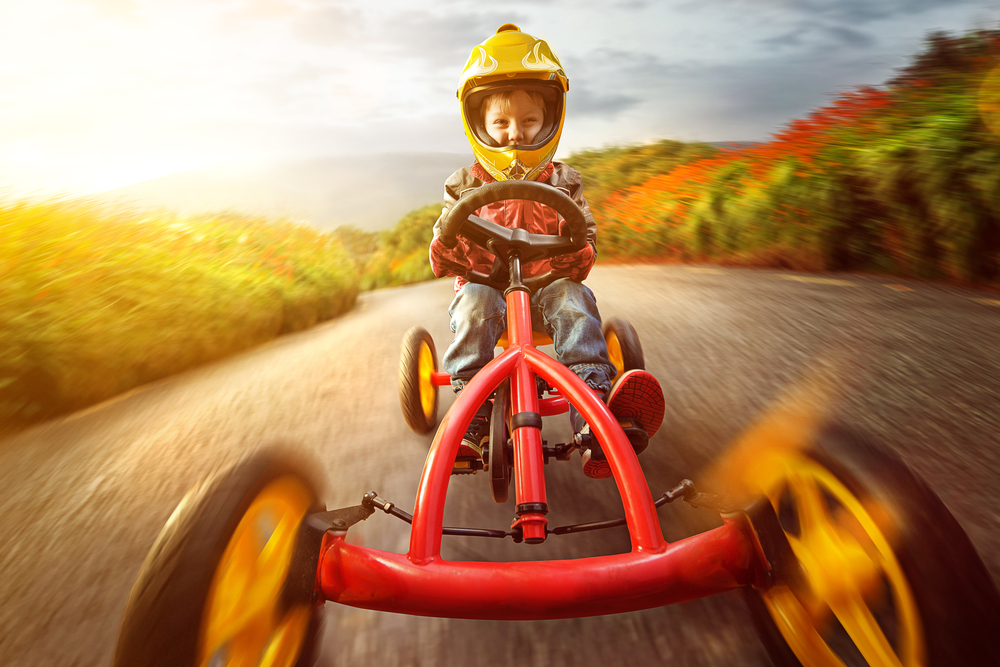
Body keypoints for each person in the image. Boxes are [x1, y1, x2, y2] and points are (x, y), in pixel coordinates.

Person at [428, 23, 664, 479]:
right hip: (489, 297)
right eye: (500, 123)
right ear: (478, 123)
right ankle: (471, 415)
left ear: (550, 120)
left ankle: (596, 416)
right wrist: (450, 241)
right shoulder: (463, 185)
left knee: (574, 300)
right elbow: (442, 254)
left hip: (546, 297)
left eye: (529, 121)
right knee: (475, 302)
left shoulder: (565, 181)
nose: (515, 134)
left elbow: (585, 241)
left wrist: (576, 251)